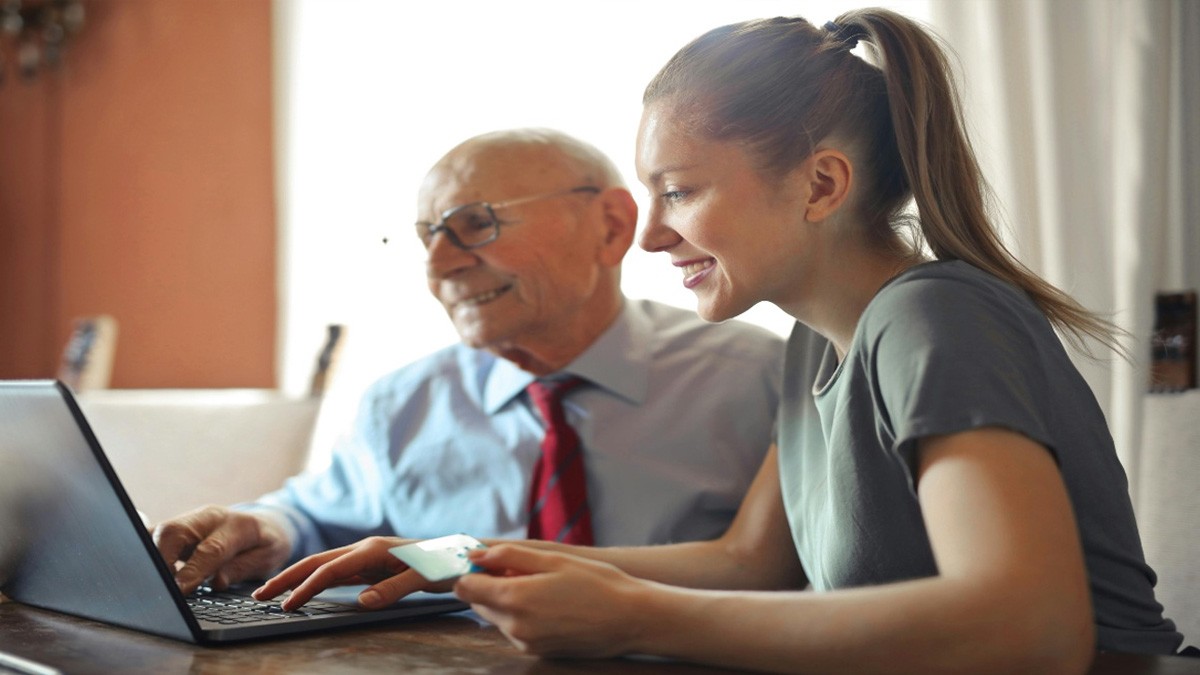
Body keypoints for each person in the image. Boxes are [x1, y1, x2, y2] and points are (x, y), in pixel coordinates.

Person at [253, 8, 1186, 673]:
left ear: (820, 186)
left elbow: (1031, 629)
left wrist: (630, 617)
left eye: (681, 190)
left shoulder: (931, 317)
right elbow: (751, 562)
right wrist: (452, 555)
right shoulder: (818, 344)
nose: (650, 237)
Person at [152, 128, 785, 596]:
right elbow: (316, 516)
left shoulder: (763, 380)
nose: (438, 265)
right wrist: (261, 529)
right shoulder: (402, 402)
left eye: (474, 225)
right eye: (429, 236)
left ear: (611, 227)